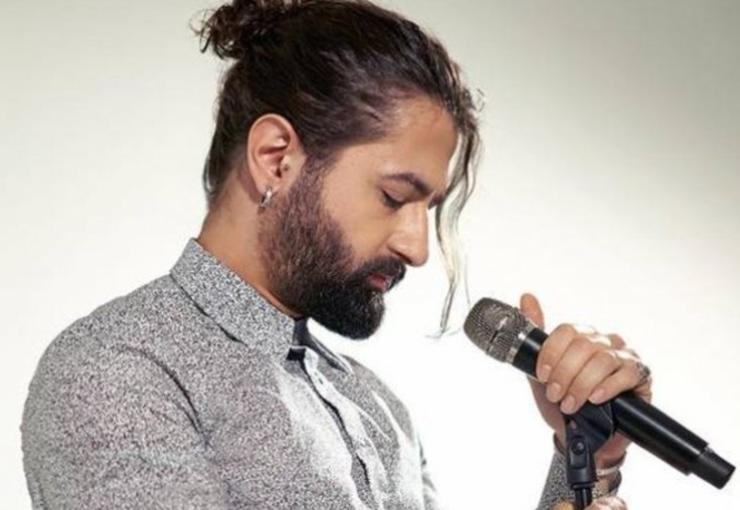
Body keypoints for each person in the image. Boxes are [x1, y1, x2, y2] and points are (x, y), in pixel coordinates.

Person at [21, 1, 653, 509]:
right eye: (393, 197)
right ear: (276, 158)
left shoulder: (375, 406)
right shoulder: (117, 372)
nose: (417, 248)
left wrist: (586, 455)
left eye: (428, 210)